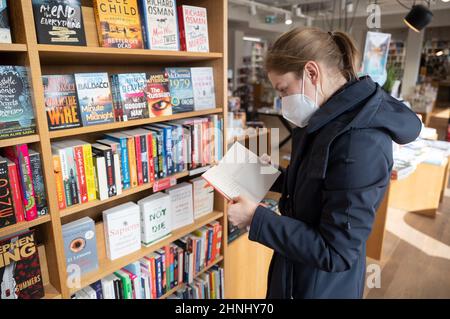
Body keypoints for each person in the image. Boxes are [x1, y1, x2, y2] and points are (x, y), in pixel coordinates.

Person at [227, 27, 422, 299]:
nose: (282, 102)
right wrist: (270, 175)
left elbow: (336, 251)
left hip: (321, 287)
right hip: (294, 272)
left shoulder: (360, 143)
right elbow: (317, 182)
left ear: (311, 73)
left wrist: (255, 218)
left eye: (283, 90)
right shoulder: (321, 120)